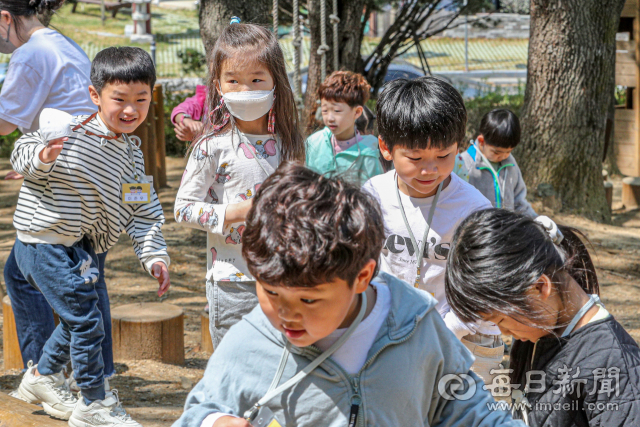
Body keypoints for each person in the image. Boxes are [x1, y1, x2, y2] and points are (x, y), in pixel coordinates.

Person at [172, 162, 525, 427]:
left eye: (308, 300)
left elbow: (469, 410)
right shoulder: (250, 341)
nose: (286, 315)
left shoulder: (414, 323)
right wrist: (212, 422)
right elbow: (199, 411)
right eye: (271, 292)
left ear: (363, 276)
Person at [11, 47, 170, 427]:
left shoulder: (132, 154)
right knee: (86, 320)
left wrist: (155, 257)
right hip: (43, 243)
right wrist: (45, 157)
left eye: (141, 100)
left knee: (79, 317)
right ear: (95, 96)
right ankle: (94, 402)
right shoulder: (73, 132)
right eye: (119, 99)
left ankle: (42, 377)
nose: (130, 110)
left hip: (77, 248)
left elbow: (142, 212)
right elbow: (23, 150)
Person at [0, 0, 115, 384]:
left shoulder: (31, 53)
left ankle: (53, 374)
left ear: (5, 18)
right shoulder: (61, 44)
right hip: (89, 174)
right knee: (80, 275)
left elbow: (4, 122)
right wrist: (38, 161)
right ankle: (83, 371)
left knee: (44, 276)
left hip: (69, 189)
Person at [362, 76, 503, 385]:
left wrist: (443, 329)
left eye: (443, 156)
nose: (430, 170)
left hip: (467, 340)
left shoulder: (474, 210)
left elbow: (486, 289)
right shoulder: (372, 196)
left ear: (459, 147)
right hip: (393, 336)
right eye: (415, 158)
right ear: (386, 147)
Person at [174, 20, 304, 348]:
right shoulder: (211, 146)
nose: (245, 90)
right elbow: (183, 209)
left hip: (284, 281)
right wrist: (238, 212)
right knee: (237, 373)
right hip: (233, 283)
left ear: (276, 82)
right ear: (218, 86)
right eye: (233, 80)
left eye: (256, 79)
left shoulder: (290, 144)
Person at [445, 209, 640, 426]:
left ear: (539, 287)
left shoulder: (613, 365)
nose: (504, 333)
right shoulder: (541, 331)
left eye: (500, 321)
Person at [305, 71, 382, 185]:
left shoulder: (368, 156)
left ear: (357, 112)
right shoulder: (314, 143)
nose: (330, 118)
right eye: (325, 110)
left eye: (337, 111)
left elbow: (374, 196)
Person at [456, 109, 537, 217]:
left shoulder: (511, 164)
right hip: (478, 230)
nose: (503, 156)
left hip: (507, 230)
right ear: (481, 141)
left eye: (508, 151)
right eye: (497, 152)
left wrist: (537, 221)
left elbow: (519, 202)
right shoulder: (464, 165)